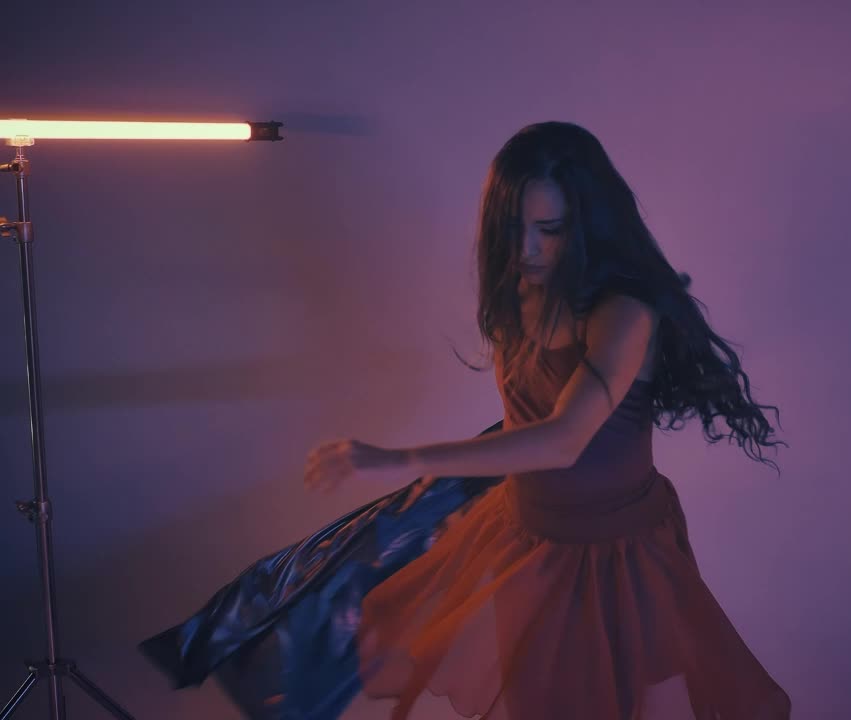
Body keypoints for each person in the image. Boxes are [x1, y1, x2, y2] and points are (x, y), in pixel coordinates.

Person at [140, 121, 790, 720]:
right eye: (516, 228)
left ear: (589, 223)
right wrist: (443, 482)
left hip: (618, 553)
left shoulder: (623, 314)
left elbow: (565, 440)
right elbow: (525, 417)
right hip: (526, 541)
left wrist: (405, 458)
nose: (530, 249)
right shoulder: (522, 293)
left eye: (552, 229)